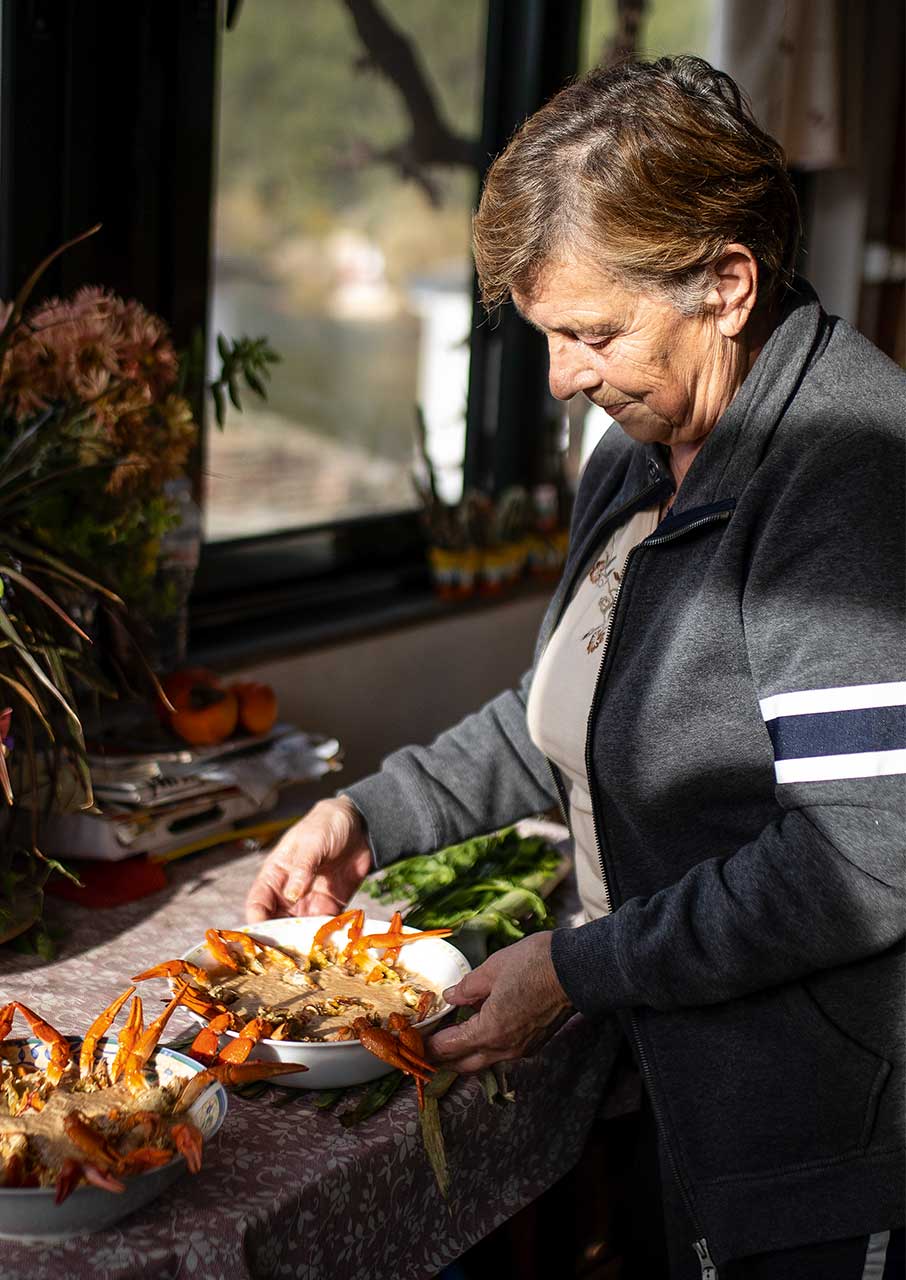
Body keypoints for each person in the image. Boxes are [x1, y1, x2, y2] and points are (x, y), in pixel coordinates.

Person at [245, 57, 905, 1279]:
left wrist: (576, 967)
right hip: (669, 1071)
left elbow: (861, 859)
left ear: (726, 284)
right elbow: (564, 704)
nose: (562, 379)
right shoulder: (647, 440)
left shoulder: (847, 475)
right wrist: (366, 814)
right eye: (549, 336)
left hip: (810, 1123)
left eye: (590, 333)